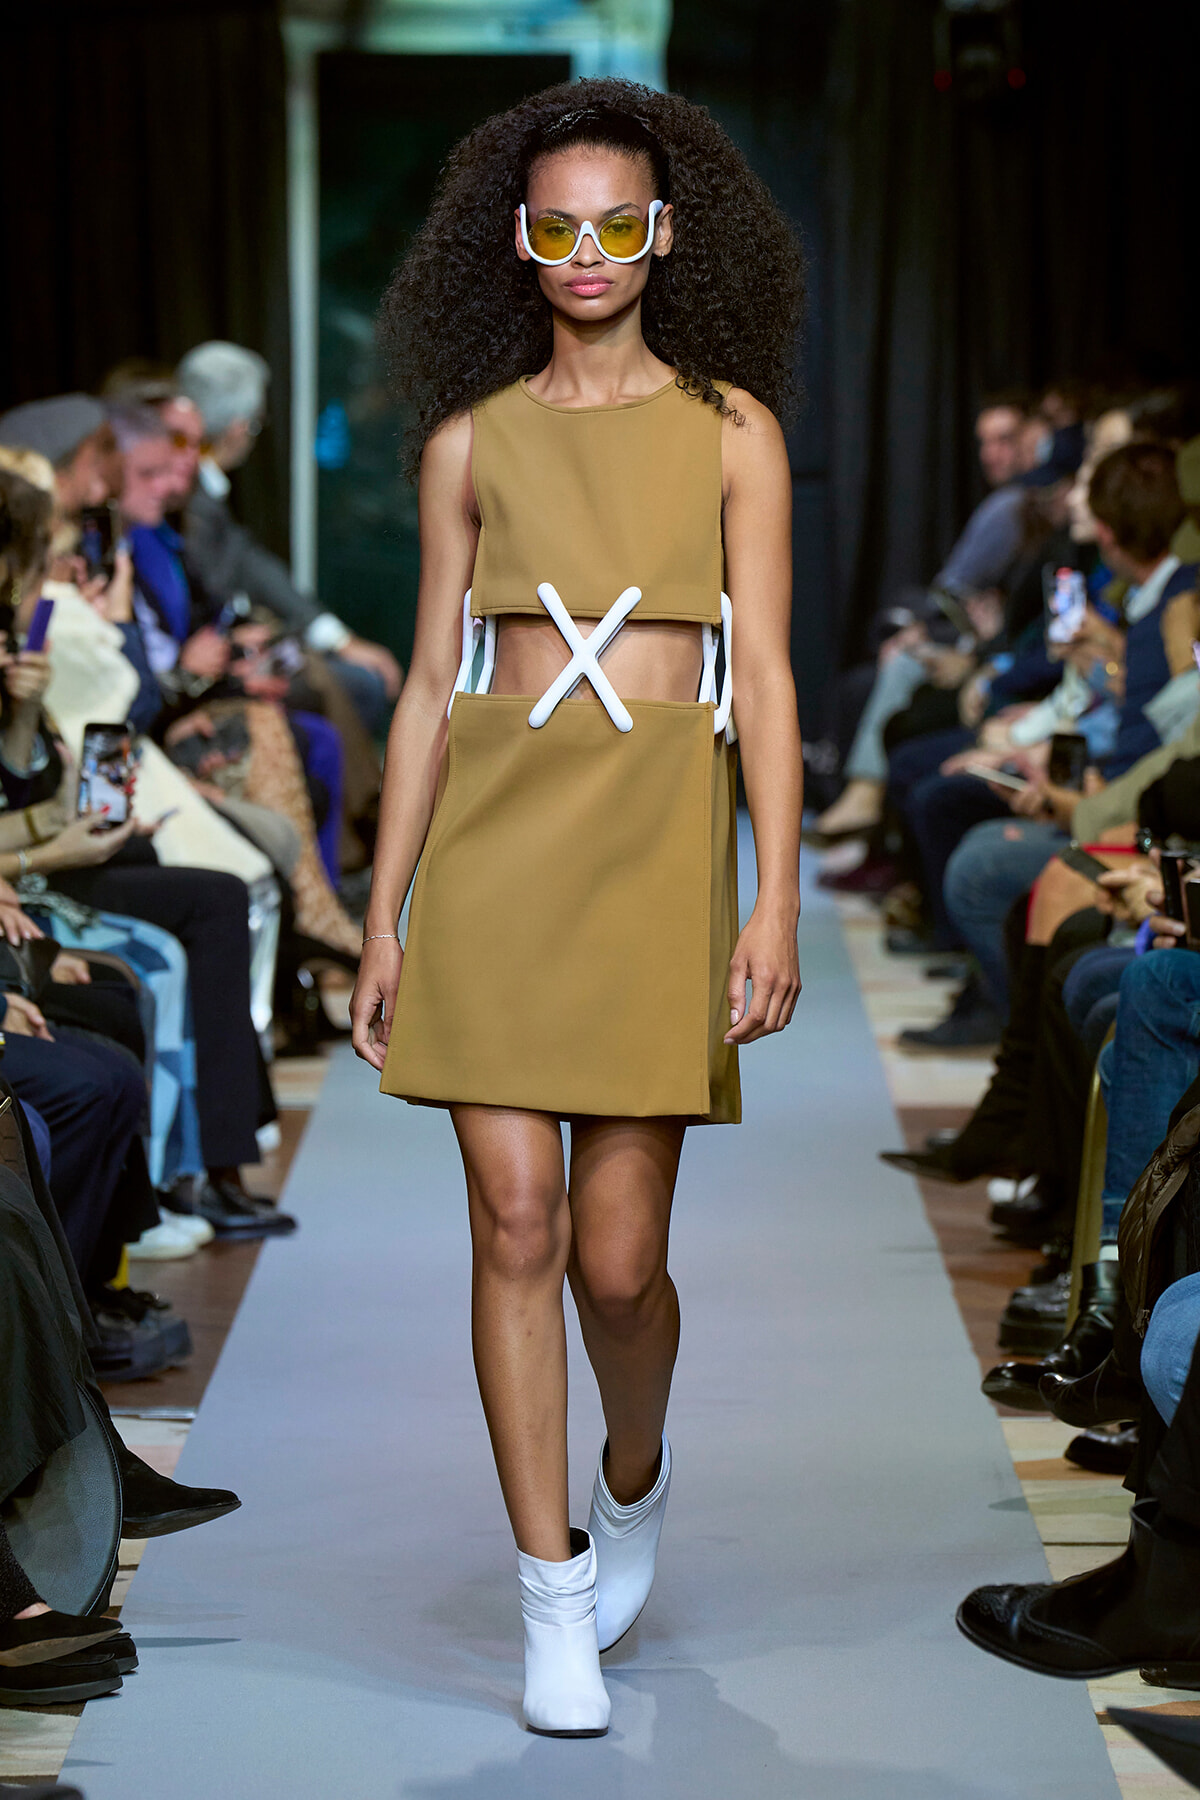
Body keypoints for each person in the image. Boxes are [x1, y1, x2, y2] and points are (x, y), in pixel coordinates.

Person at [350, 80, 804, 1737]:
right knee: (518, 1227)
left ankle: (633, 1476)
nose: (591, 251)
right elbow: (419, 690)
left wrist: (777, 904)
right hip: (496, 845)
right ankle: (551, 1595)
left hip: (651, 845)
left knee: (621, 1267)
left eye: (622, 223)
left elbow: (763, 677)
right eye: (560, 225)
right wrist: (382, 918)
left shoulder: (731, 432)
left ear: (666, 235)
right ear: (518, 236)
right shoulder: (471, 441)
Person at [174, 340, 403, 733]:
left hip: (221, 655)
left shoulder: (203, 495)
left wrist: (336, 637)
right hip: (203, 671)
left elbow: (251, 566)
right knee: (361, 687)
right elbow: (224, 582)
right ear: (239, 428)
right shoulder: (190, 498)